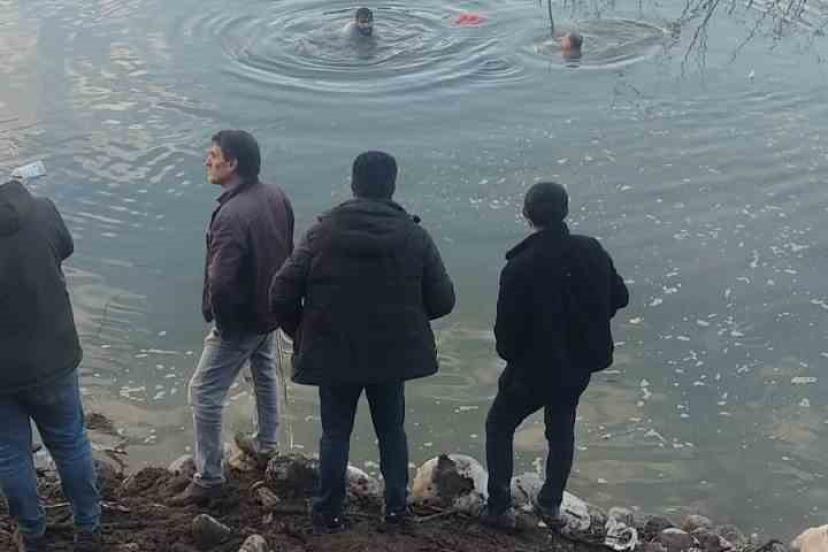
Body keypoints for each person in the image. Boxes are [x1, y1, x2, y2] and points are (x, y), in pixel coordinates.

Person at [270, 151, 455, 532]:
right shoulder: (413, 235)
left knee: (335, 433)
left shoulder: (322, 233)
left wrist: (300, 331)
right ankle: (396, 509)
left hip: (333, 353)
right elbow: (443, 300)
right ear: (392, 186)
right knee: (392, 431)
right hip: (391, 356)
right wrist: (406, 319)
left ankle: (328, 512)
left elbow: (281, 292)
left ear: (353, 185)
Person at [482, 182, 628, 529]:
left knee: (499, 425)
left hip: (531, 369)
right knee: (561, 429)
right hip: (578, 365)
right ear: (565, 211)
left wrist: (516, 356)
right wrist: (589, 318)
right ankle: (550, 504)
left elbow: (506, 337)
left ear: (526, 214)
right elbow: (620, 297)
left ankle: (499, 507)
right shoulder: (591, 250)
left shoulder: (519, 266)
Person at [172, 130, 294, 505]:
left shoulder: (231, 214)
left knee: (203, 391)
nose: (207, 161)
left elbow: (221, 282)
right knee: (264, 371)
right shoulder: (276, 196)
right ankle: (266, 444)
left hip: (241, 320)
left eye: (213, 155)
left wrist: (224, 325)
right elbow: (288, 251)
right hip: (269, 309)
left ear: (233, 163)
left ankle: (210, 478)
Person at [0, 179, 102, 551]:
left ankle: (33, 534)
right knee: (71, 443)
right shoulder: (42, 210)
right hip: (54, 356)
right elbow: (65, 248)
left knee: (10, 455)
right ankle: (88, 528)